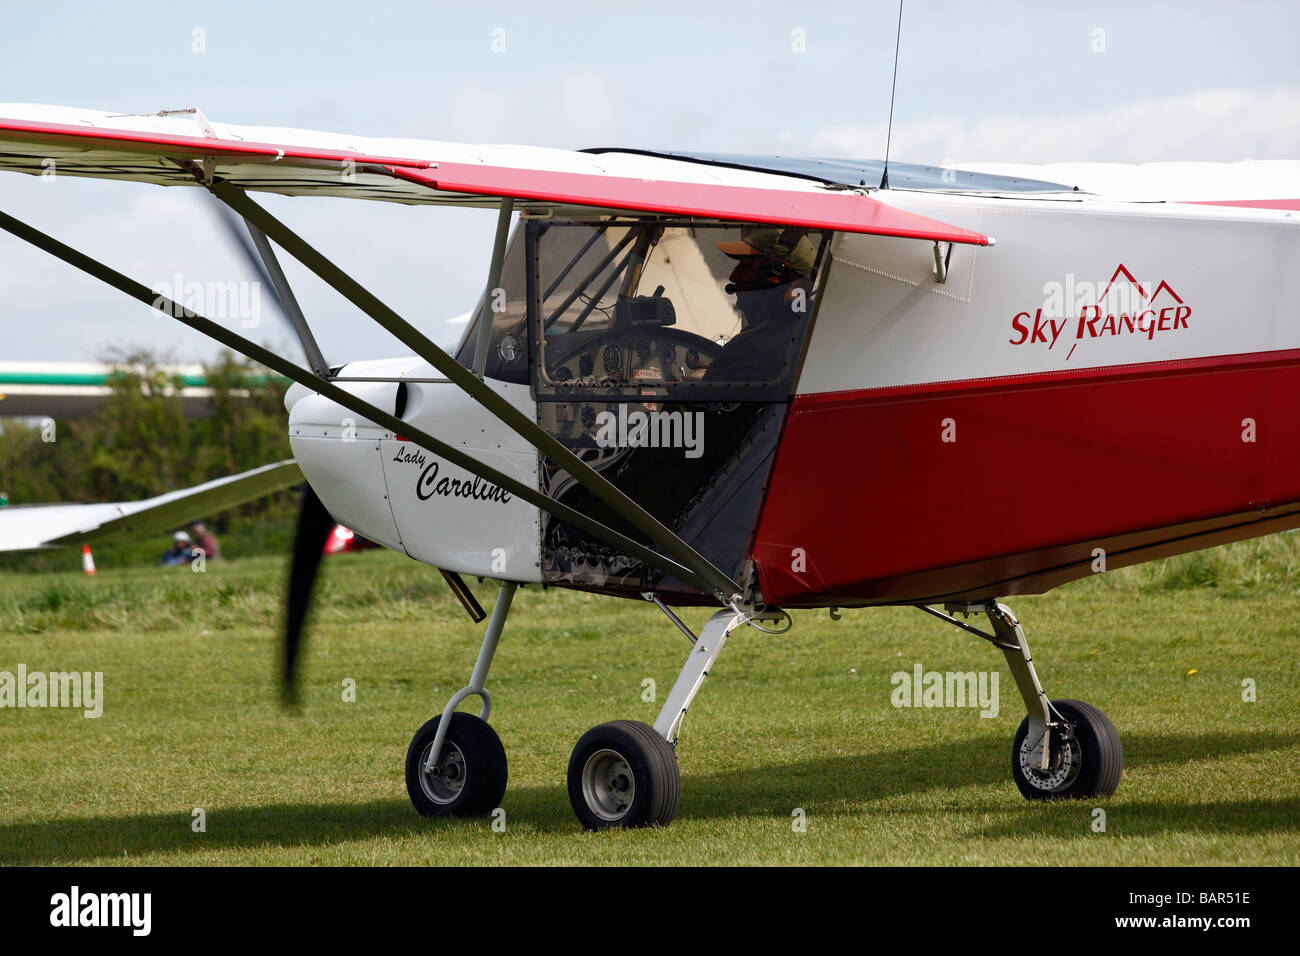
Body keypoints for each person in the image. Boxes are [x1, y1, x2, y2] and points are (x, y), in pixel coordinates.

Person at [702, 227, 817, 383]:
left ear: (775, 277)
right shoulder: (808, 333)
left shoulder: (762, 348)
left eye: (746, 267)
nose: (734, 277)